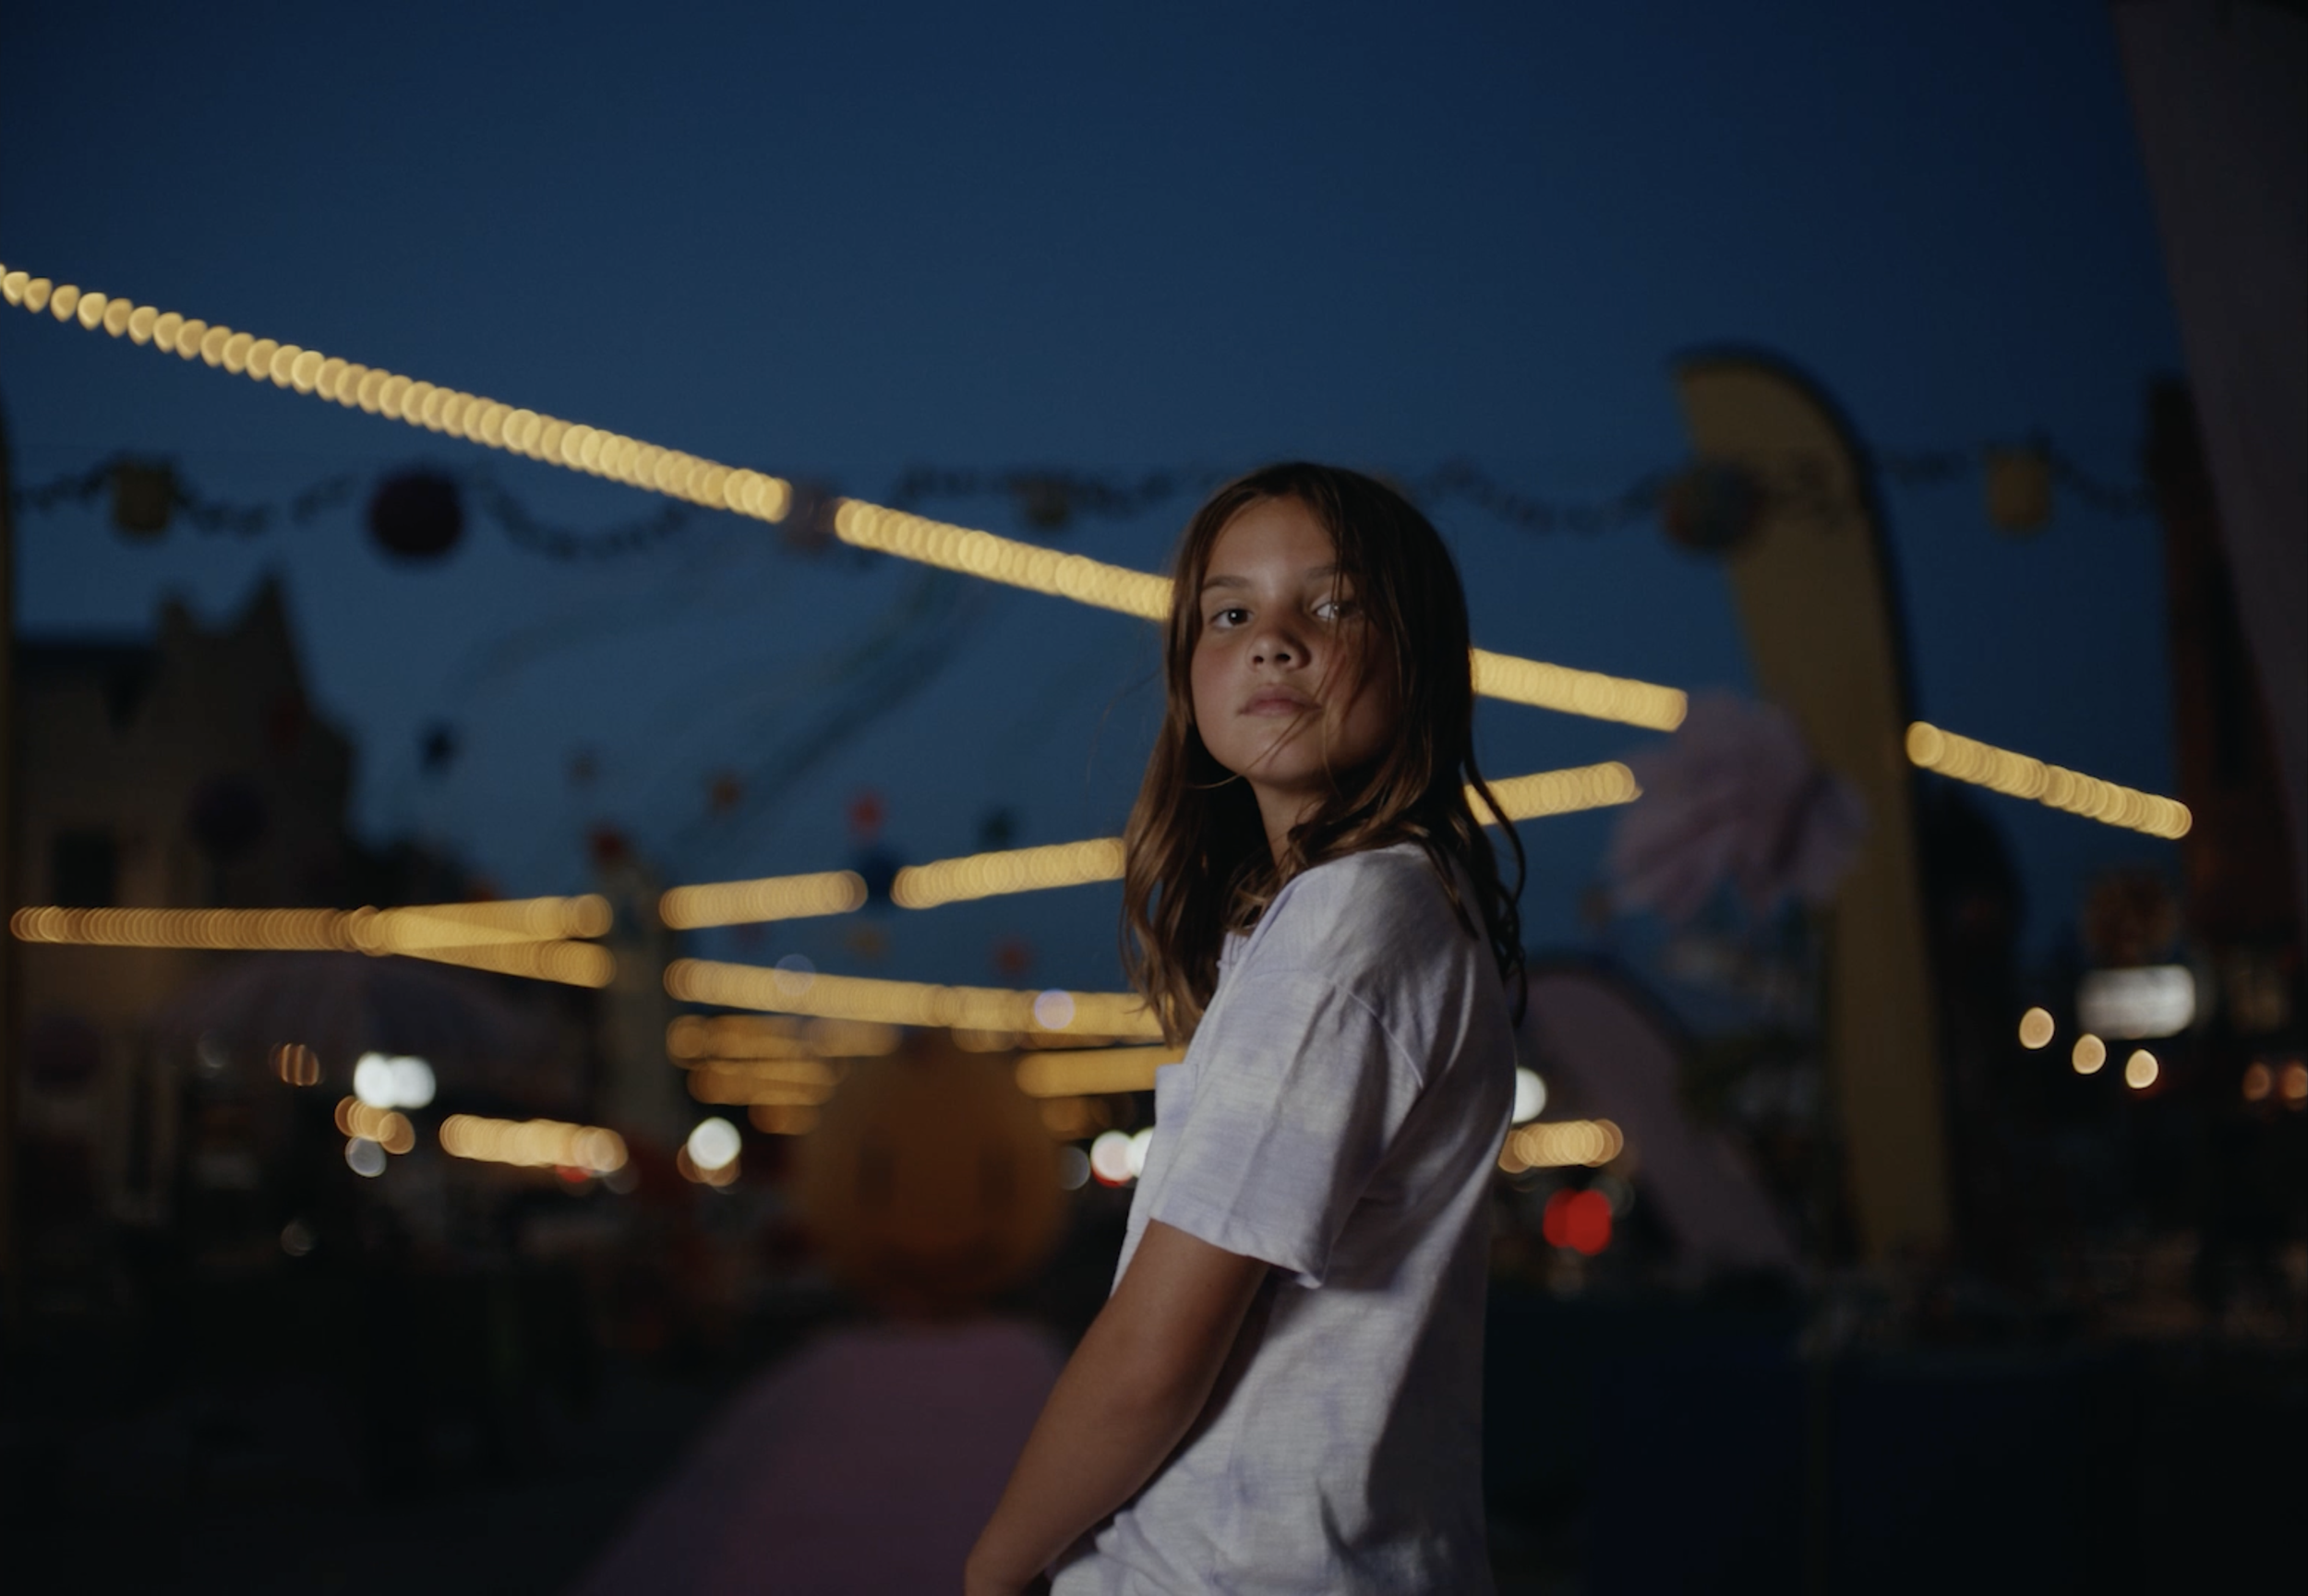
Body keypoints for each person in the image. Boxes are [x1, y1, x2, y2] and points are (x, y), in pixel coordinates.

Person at [967, 462, 1524, 1594]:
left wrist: (992, 1569)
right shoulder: (1347, 915)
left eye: (1330, 605)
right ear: (1189, 674)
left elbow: (1156, 1351)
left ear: (1416, 654)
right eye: (1232, 612)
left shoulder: (1353, 912)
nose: (1274, 641)